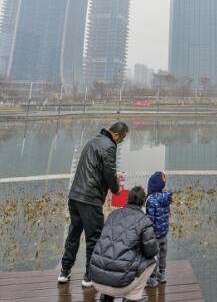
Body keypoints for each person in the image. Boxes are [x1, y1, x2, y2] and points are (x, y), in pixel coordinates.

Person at [58, 122, 129, 287]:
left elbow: (95, 168)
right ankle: (89, 276)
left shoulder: (93, 141)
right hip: (90, 198)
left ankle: (64, 271)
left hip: (75, 195)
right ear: (117, 135)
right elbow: (108, 172)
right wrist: (116, 189)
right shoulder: (110, 146)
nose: (121, 142)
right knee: (94, 238)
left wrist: (110, 175)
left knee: (73, 234)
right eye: (123, 138)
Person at [90, 186, 158, 302]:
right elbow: (150, 252)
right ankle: (132, 298)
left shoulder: (113, 215)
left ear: (128, 198)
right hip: (121, 285)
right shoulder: (144, 220)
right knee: (153, 261)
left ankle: (106, 297)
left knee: (110, 252)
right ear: (143, 202)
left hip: (96, 280)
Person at [145, 171, 173, 287]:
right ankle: (162, 275)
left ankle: (152, 278)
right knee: (162, 255)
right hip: (164, 234)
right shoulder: (165, 198)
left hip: (155, 235)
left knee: (152, 256)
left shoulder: (151, 201)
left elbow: (150, 220)